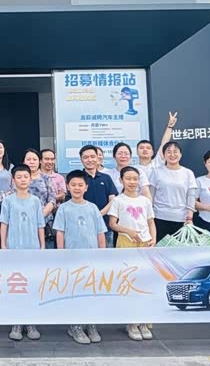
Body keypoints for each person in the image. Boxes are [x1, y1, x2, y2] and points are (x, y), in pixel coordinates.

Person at [53, 170, 106, 345]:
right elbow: (60, 232)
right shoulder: (64, 208)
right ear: (68, 187)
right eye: (73, 185)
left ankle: (91, 324)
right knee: (74, 292)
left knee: (91, 291)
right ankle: (75, 325)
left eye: (80, 185)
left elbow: (100, 233)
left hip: (91, 258)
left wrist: (102, 254)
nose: (77, 188)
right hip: (71, 258)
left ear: (86, 187)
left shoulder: (92, 208)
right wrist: (61, 254)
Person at [108, 166, 156, 342]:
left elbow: (151, 222)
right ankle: (131, 322)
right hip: (126, 243)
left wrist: (153, 239)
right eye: (128, 178)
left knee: (145, 283)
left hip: (145, 244)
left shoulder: (145, 201)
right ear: (121, 180)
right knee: (129, 282)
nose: (132, 182)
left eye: (135, 179)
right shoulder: (118, 201)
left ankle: (144, 321)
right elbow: (113, 224)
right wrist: (129, 231)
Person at [0, 164, 46, 341]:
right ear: (13, 180)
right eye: (18, 177)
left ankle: (31, 322)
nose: (22, 180)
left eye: (25, 176)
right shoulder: (8, 201)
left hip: (32, 248)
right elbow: (4, 224)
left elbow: (40, 225)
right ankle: (17, 322)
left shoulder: (35, 201)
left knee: (32, 285)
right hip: (14, 248)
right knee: (16, 286)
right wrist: (3, 245)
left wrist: (42, 246)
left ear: (30, 178)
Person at [148, 141, 197, 243]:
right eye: (169, 152)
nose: (172, 155)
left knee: (180, 250)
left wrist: (189, 218)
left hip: (181, 219)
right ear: (164, 155)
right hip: (159, 218)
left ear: (180, 154)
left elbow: (191, 196)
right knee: (160, 249)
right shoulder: (156, 172)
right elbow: (150, 195)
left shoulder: (188, 173)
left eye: (175, 152)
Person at [78, 145, 118, 247]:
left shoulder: (106, 178)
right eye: (86, 157)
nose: (90, 160)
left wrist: (100, 214)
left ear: (97, 158)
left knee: (106, 255)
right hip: (83, 225)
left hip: (105, 225)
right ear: (81, 160)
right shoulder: (78, 178)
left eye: (92, 156)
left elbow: (113, 200)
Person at [23, 149, 56, 248]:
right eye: (29, 159)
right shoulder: (19, 179)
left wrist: (40, 216)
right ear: (24, 161)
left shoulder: (46, 178)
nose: (32, 162)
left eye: (34, 159)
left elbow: (52, 200)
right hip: (24, 221)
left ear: (39, 161)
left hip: (45, 221)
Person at [136, 112, 177, 179]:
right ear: (137, 152)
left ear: (152, 152)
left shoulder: (157, 162)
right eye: (141, 148)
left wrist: (170, 126)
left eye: (148, 148)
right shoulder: (133, 168)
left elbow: (164, 143)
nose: (145, 150)